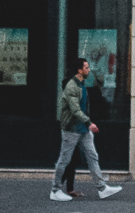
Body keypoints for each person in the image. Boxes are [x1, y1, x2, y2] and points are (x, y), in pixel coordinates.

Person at [50, 58, 121, 203]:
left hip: (82, 129)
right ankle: (55, 190)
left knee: (92, 156)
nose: (89, 70)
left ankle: (102, 188)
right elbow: (75, 109)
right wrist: (89, 123)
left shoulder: (81, 84)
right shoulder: (71, 87)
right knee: (64, 160)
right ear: (79, 70)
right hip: (72, 129)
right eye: (86, 68)